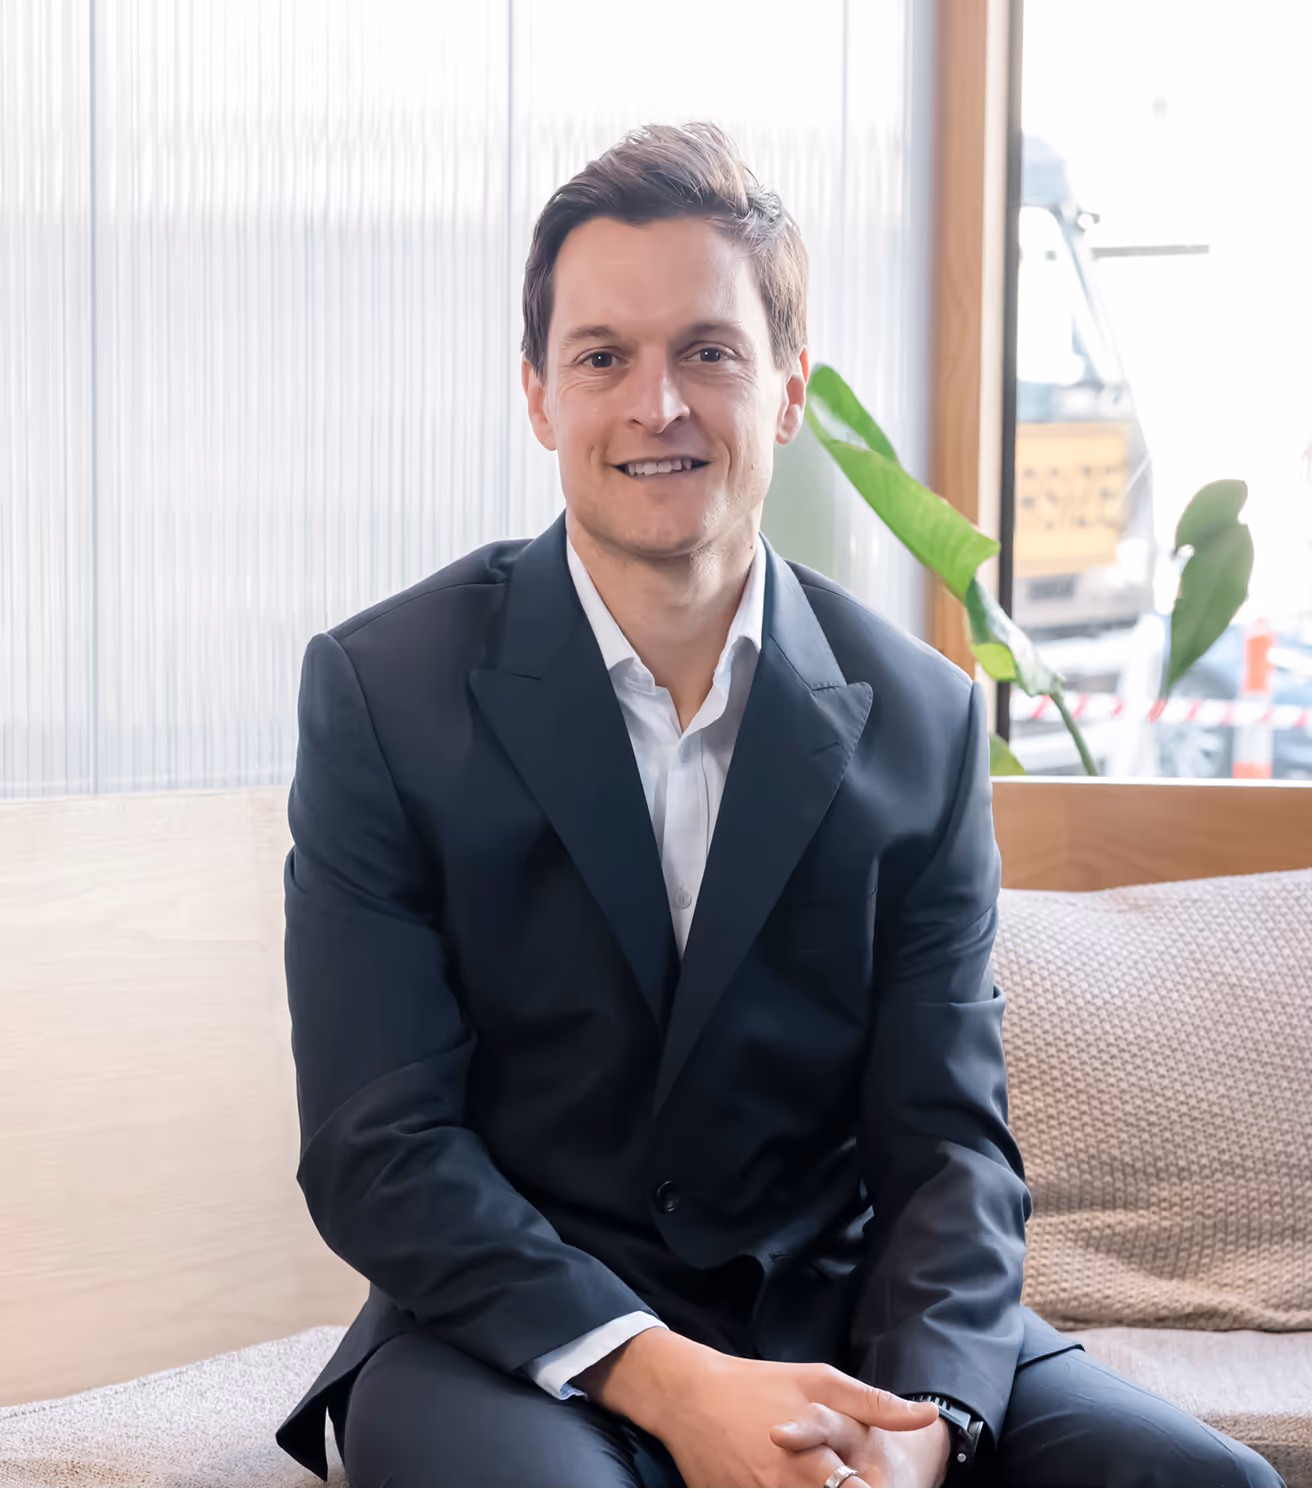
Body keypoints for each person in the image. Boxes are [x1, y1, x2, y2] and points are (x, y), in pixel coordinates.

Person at [274, 123, 1282, 1489]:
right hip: (515, 1334)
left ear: (790, 390)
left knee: (1202, 1482)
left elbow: (947, 1146)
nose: (657, 404)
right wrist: (674, 1384)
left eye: (709, 351)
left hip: (848, 1312)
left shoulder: (919, 718)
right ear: (537, 396)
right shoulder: (383, 693)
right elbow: (376, 1147)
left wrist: (923, 1426)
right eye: (602, 358)